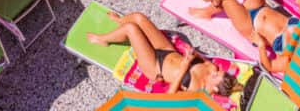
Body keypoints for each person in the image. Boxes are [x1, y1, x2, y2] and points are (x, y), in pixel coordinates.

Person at [87, 12, 239, 98]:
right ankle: (119, 20)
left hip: (155, 67)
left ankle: (101, 39)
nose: (215, 71)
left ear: (216, 89)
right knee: (139, 18)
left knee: (131, 29)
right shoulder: (211, 68)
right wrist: (193, 53)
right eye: (218, 71)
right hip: (167, 50)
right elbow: (203, 60)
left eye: (216, 75)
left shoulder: (196, 93)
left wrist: (183, 69)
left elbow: (170, 95)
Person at [189, 0, 300, 75]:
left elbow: (270, 66)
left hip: (251, 26)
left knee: (227, 0)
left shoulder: (294, 60)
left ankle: (207, 12)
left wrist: (261, 45)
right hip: (261, 7)